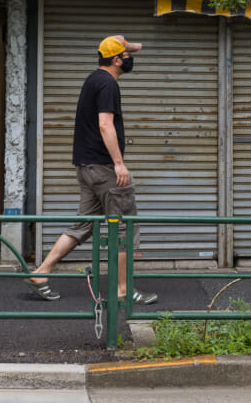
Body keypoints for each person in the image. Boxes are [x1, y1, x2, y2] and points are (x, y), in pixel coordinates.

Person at [26, 35, 157, 305]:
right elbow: (105, 125)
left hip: (87, 168)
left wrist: (129, 45)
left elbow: (128, 46)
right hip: (105, 169)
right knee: (124, 228)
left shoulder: (92, 79)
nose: (131, 59)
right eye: (127, 56)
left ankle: (41, 272)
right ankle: (122, 290)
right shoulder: (108, 84)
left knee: (84, 224)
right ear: (117, 60)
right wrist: (119, 163)